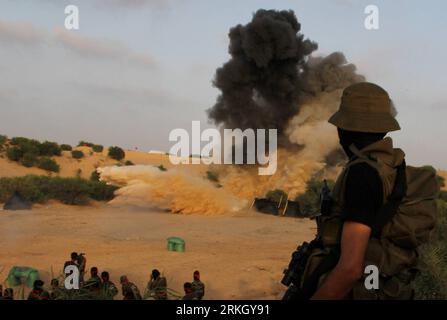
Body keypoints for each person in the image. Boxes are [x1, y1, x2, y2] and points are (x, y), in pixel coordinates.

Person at [301, 82, 436, 300]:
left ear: (343, 130)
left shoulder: (362, 174)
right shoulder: (393, 165)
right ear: (383, 128)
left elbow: (350, 269)